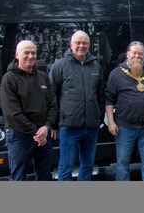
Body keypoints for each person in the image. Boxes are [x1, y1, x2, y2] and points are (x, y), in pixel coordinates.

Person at [49, 30, 105, 181]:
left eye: (85, 43)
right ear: (71, 45)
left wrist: (98, 119)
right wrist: (54, 124)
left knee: (87, 166)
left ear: (89, 45)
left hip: (91, 128)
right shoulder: (59, 66)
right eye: (78, 43)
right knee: (66, 167)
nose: (82, 46)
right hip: (69, 127)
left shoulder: (96, 67)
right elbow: (51, 97)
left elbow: (100, 96)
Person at [0, 40, 58, 181]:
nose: (31, 56)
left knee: (45, 175)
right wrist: (36, 132)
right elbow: (12, 113)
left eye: (33, 53)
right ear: (17, 55)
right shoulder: (9, 79)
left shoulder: (42, 76)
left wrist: (46, 127)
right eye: (27, 53)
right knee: (18, 176)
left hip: (43, 134)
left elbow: (52, 104)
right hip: (20, 136)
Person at [105, 41, 144, 181]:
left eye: (140, 53)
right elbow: (109, 100)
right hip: (124, 128)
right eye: (134, 53)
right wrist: (111, 123)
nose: (137, 56)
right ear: (128, 54)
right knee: (122, 164)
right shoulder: (116, 74)